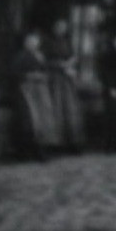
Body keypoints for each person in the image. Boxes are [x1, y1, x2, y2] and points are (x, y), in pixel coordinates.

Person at [43, 18, 86, 152]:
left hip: (67, 79)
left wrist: (72, 63)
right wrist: (61, 65)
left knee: (70, 109)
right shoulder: (48, 42)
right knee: (57, 107)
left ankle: (72, 141)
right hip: (55, 79)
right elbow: (44, 61)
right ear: (54, 28)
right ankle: (57, 143)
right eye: (59, 26)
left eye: (64, 27)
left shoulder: (67, 42)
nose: (61, 29)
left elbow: (73, 57)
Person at [9, 30, 54, 158]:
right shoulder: (21, 56)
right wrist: (29, 76)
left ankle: (43, 146)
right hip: (28, 90)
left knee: (44, 117)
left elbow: (46, 69)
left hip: (41, 90)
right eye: (30, 41)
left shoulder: (40, 56)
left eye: (35, 41)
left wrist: (44, 76)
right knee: (31, 118)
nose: (33, 43)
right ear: (25, 43)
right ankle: (29, 149)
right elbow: (14, 73)